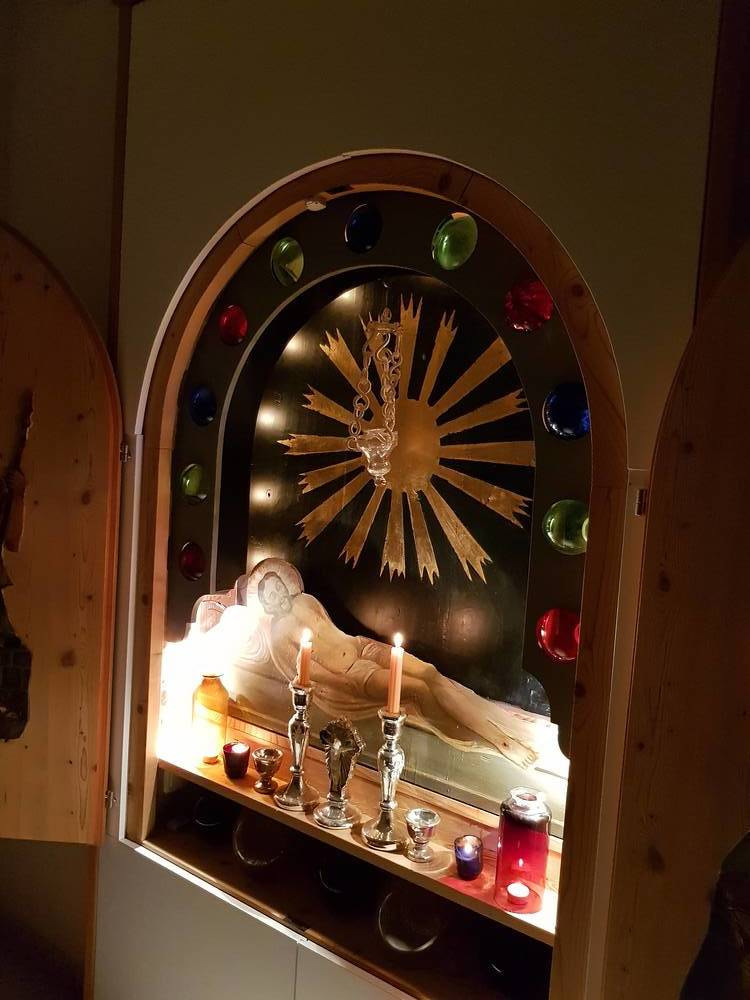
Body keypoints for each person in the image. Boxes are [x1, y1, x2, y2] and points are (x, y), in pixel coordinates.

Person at [196, 558, 564, 770]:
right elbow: (306, 673)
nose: (277, 594)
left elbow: (334, 631)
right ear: (264, 602)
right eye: (269, 593)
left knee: (432, 674)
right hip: (352, 676)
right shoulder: (278, 634)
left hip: (362, 648)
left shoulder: (306, 601)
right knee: (418, 691)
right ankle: (497, 742)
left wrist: (359, 650)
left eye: (278, 586)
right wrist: (348, 678)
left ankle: (494, 723)